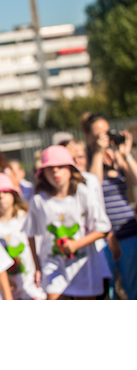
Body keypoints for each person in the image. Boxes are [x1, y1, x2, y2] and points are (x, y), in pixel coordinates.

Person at [24, 146, 111, 300]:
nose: (55, 171)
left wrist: (77, 244)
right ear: (43, 172)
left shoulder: (82, 193)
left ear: (71, 169)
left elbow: (103, 228)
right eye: (50, 168)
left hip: (83, 265)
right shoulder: (39, 200)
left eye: (60, 166)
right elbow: (30, 234)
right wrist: (37, 267)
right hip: (52, 265)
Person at [81, 112, 137, 300]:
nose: (105, 137)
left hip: (128, 231)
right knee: (108, 291)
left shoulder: (116, 157)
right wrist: (98, 152)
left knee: (133, 286)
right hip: (102, 236)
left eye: (107, 132)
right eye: (99, 134)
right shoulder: (85, 159)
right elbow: (93, 185)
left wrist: (126, 154)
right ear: (88, 136)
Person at [64, 138, 117, 298]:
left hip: (95, 248)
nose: (77, 161)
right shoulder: (55, 188)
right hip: (67, 254)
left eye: (80, 156)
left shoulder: (90, 180)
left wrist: (109, 236)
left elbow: (99, 213)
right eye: (72, 158)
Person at [0, 173, 46, 300]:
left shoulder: (25, 217)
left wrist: (39, 269)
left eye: (5, 192)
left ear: (14, 195)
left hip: (31, 283)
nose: (1, 196)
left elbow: (38, 245)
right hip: (3, 290)